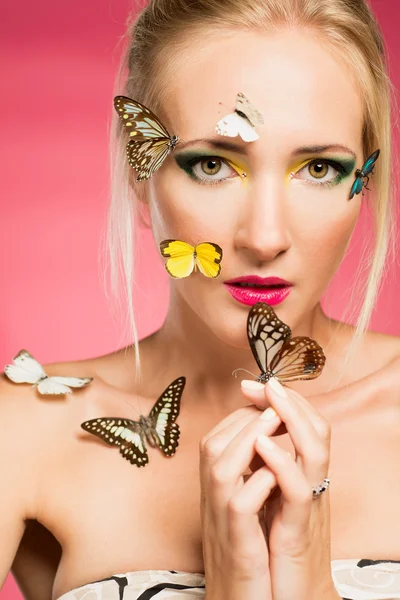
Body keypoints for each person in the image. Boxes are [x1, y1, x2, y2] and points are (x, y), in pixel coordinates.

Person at [1, 0, 400, 599]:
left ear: (366, 179)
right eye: (212, 164)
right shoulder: (28, 427)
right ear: (142, 171)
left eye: (319, 168)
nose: (264, 238)